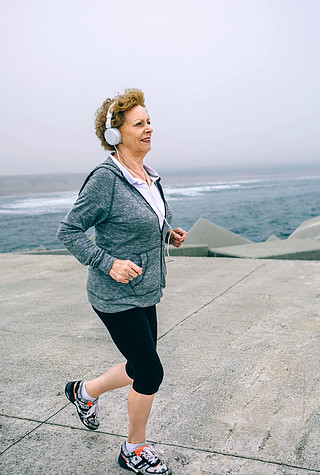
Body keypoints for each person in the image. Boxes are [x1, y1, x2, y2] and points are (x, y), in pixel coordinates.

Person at [57, 88, 187, 474]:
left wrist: (166, 235)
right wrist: (108, 262)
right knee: (150, 371)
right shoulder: (106, 179)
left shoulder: (149, 175)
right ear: (116, 134)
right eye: (140, 123)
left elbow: (142, 223)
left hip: (146, 289)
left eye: (149, 121)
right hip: (114, 295)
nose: (150, 128)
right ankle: (134, 449)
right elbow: (70, 230)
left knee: (137, 363)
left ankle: (83, 392)